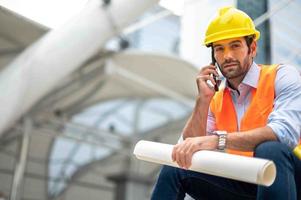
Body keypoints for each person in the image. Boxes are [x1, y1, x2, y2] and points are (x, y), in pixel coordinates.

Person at [151, 6, 301, 200]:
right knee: (176, 168)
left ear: (252, 48)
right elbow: (187, 150)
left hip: (291, 181)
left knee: (270, 149)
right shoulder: (215, 99)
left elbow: (284, 133)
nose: (227, 55)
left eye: (235, 45)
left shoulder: (281, 76)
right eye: (219, 48)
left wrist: (217, 140)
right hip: (248, 183)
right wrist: (203, 101)